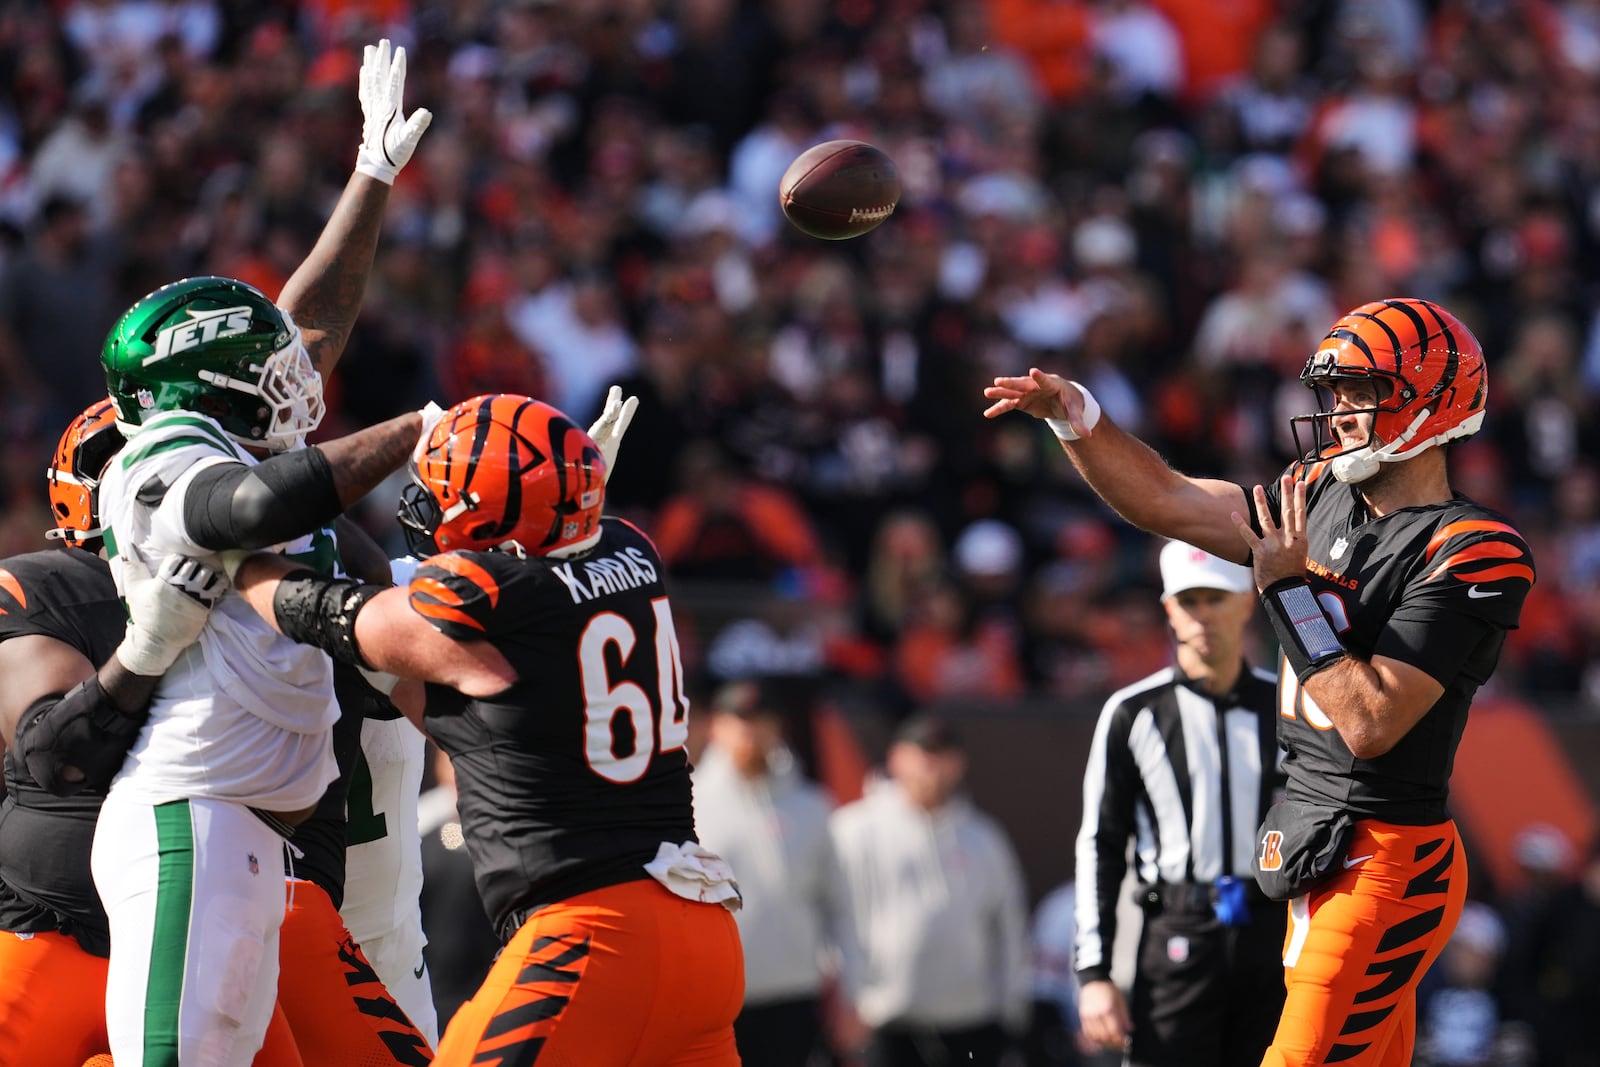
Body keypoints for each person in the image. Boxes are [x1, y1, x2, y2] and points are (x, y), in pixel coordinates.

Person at [983, 297, 1536, 1066]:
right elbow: (1168, 498)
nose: (1339, 411)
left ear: (1429, 398)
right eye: (1335, 391)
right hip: (1311, 839)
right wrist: (1077, 418)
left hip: (1385, 857)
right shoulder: (1319, 494)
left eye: (1361, 390)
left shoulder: (1473, 547)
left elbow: (1370, 719)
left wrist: (1285, 590)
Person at [90, 37, 438, 1064]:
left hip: (273, 836)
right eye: (263, 371)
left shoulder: (223, 429)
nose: (296, 375)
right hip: (193, 817)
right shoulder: (161, 464)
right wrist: (419, 429)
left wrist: (371, 177)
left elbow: (310, 324)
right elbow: (243, 503)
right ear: (206, 392)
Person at [222, 392, 746, 1066]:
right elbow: (469, 701)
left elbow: (317, 605)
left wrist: (231, 551)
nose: (424, 509)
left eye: (439, 494)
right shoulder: (629, 550)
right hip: (701, 931)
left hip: (593, 933)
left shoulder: (491, 601)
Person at [0, 402, 246, 1067]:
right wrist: (150, 645)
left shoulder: (261, 587)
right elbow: (55, 751)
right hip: (57, 939)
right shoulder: (48, 585)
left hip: (222, 937)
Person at [1073, 540, 1286, 1066]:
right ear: (1168, 609)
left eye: (1217, 597)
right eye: (1189, 601)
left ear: (1246, 602)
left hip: (1273, 937)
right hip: (1174, 931)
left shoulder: (1289, 705)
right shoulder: (1133, 712)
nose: (1203, 615)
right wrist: (1095, 974)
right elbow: (1100, 844)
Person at [829, 713, 1031, 1067]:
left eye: (942, 754)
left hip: (971, 1018)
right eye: (921, 753)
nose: (931, 766)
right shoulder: (854, 830)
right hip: (884, 1019)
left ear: (959, 763)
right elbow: (835, 920)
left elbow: (1009, 925)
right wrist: (849, 1000)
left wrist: (1011, 1006)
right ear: (896, 758)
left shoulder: (984, 838)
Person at [693, 677, 841, 1067]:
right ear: (716, 726)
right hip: (710, 999)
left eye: (760, 719)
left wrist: (849, 989)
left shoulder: (813, 806)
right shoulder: (687, 803)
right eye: (737, 719)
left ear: (778, 727)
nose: (749, 731)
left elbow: (840, 905)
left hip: (793, 994)